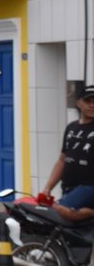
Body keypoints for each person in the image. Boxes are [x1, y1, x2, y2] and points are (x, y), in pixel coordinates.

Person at [40, 84, 94, 223]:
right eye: (88, 101)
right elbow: (62, 160)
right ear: (78, 103)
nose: (92, 105)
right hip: (69, 187)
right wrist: (48, 188)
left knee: (57, 211)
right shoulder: (71, 127)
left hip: (89, 186)